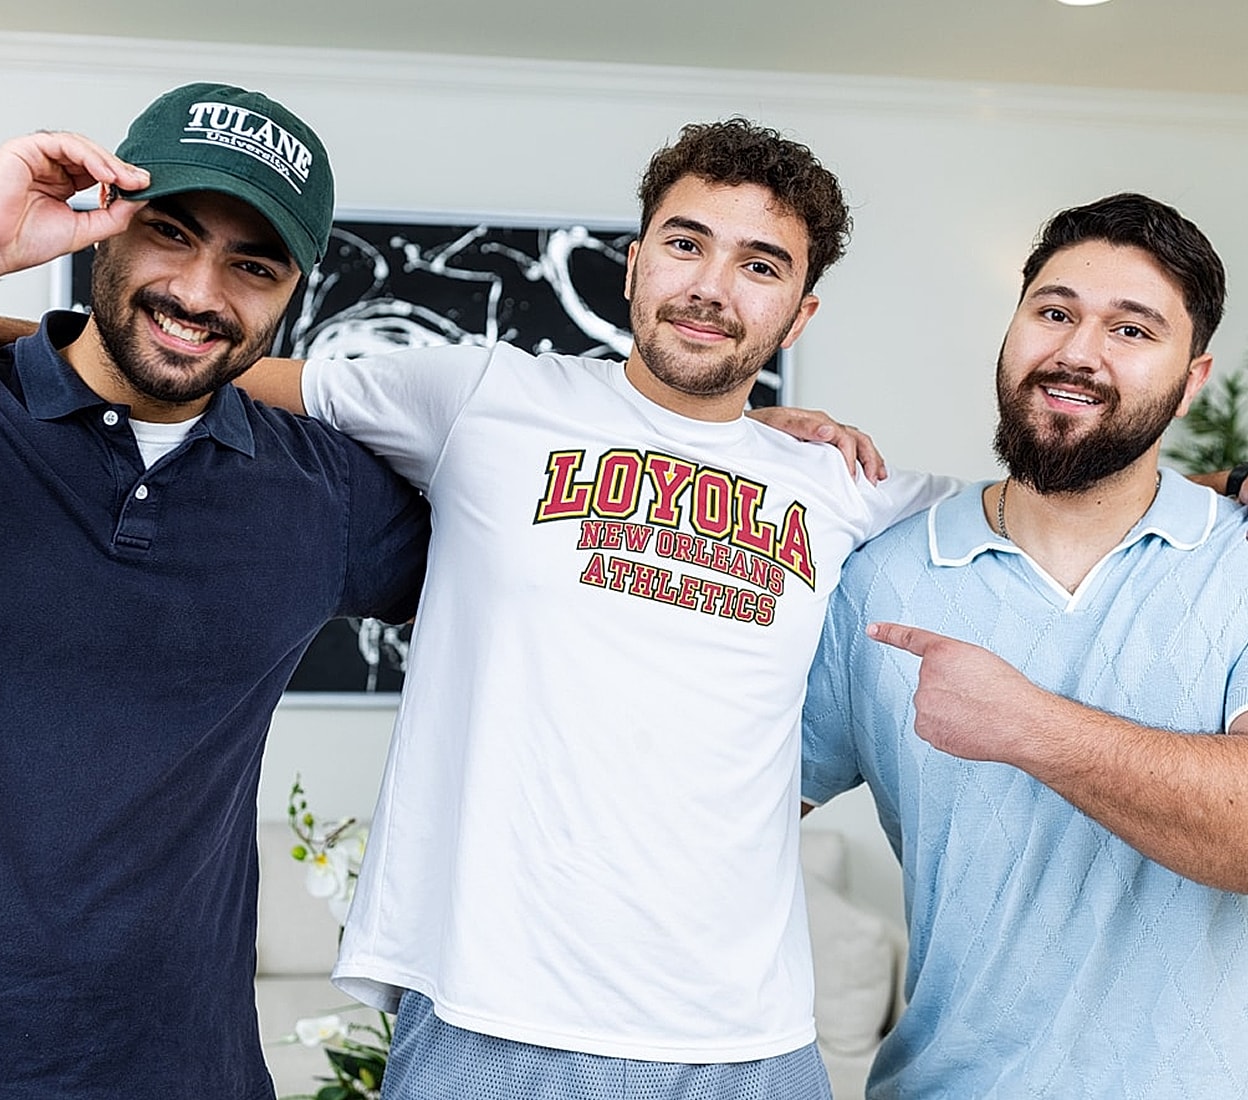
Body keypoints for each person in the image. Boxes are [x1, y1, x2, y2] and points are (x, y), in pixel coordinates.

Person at [163, 119, 955, 1099]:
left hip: (748, 1044)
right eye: (684, 242)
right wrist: (3, 335)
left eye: (759, 263)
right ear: (632, 265)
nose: (710, 285)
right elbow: (198, 367)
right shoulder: (483, 394)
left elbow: (1051, 513)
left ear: (798, 314)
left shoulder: (836, 481)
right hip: (492, 1027)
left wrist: (1212, 481)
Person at [0, 83, 432, 1097]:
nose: (201, 292)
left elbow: (545, 555)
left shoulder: (323, 492)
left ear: (291, 292)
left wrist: (722, 432)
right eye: (170, 233)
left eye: (253, 264)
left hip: (183, 1071)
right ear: (101, 224)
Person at [801, 192, 1248, 1097]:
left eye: (1132, 329)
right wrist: (726, 448)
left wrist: (1027, 725)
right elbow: (727, 820)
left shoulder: (1239, 563)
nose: (1077, 352)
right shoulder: (878, 579)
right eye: (1055, 312)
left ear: (1192, 378)